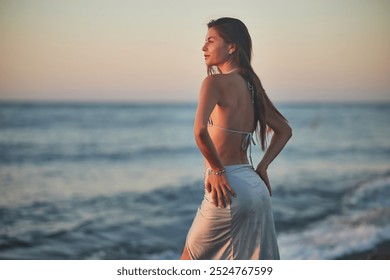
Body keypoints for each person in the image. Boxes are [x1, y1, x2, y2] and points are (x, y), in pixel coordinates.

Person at [180, 17, 292, 260]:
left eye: (211, 41)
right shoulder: (252, 85)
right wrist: (262, 167)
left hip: (227, 190)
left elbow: (199, 131)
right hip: (254, 188)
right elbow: (284, 130)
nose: (203, 48)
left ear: (232, 47)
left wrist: (218, 170)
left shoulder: (213, 82)